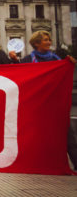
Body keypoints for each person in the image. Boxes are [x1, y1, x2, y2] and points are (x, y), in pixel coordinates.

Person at [20, 30, 77, 170]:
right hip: (38, 105)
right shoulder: (27, 60)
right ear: (36, 43)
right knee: (39, 136)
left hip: (57, 104)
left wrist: (70, 64)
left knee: (68, 135)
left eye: (49, 40)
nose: (49, 42)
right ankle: (38, 164)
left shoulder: (58, 59)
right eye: (46, 40)